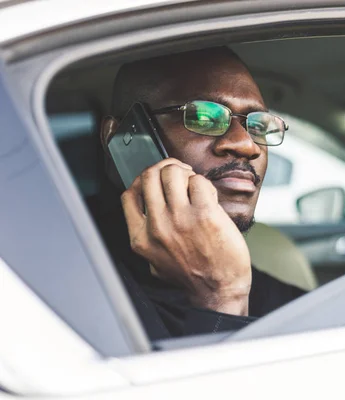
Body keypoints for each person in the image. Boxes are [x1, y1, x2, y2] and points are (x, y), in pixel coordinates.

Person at [94, 47, 305, 340]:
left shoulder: (276, 298)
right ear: (118, 136)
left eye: (257, 125)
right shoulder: (70, 284)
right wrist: (222, 295)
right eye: (204, 117)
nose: (247, 145)